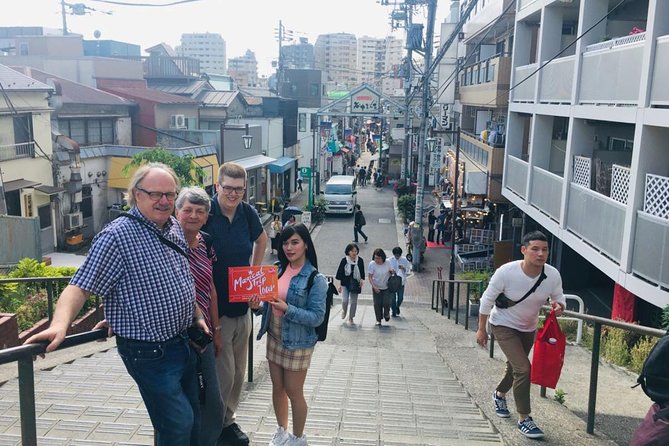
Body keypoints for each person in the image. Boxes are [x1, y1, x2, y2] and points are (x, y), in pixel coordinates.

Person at [26, 163, 206, 446]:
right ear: (136, 194)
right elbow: (80, 286)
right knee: (178, 424)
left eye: (170, 195)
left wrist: (196, 316)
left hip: (182, 342)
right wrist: (59, 325)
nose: (165, 201)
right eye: (156, 194)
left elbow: (180, 278)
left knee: (194, 420)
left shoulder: (171, 226)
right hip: (150, 352)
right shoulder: (117, 236)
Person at [475, 230, 565, 440]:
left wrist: (559, 306)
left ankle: (498, 395)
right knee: (524, 368)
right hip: (503, 324)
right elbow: (487, 300)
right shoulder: (506, 272)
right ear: (524, 250)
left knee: (515, 368)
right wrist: (481, 329)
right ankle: (525, 419)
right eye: (535, 249)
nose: (540, 254)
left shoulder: (552, 275)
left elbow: (559, 297)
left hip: (528, 327)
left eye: (544, 250)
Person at [203, 162, 268, 446]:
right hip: (215, 310)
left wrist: (254, 278)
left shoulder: (247, 212)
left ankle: (227, 421)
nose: (232, 194)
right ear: (218, 186)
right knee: (224, 374)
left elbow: (262, 241)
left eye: (238, 190)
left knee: (239, 372)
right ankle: (214, 426)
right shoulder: (205, 213)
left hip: (242, 306)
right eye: (227, 188)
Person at [250, 223, 327, 446]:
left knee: (294, 391)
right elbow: (267, 305)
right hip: (274, 337)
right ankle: (282, 431)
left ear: (305, 244)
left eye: (295, 242)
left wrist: (287, 309)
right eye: (285, 242)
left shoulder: (315, 279)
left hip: (298, 342)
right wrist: (257, 306)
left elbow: (317, 318)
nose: (289, 248)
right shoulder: (276, 270)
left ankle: (298, 437)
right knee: (277, 388)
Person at [175, 186, 225, 446]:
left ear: (207, 216)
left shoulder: (206, 242)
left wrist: (216, 331)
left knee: (211, 402)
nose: (193, 215)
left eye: (200, 211)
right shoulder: (167, 244)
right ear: (177, 212)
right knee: (179, 406)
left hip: (202, 335)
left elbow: (211, 289)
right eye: (188, 210)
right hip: (174, 335)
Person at [335, 243, 365, 325]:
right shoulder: (344, 260)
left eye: (355, 251)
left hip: (355, 283)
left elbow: (362, 273)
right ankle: (344, 310)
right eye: (352, 251)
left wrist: (362, 281)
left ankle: (351, 317)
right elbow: (339, 274)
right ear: (348, 252)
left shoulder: (360, 260)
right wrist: (339, 285)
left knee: (354, 301)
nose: (354, 253)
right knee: (345, 300)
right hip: (345, 283)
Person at [368, 248, 395, 326]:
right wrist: (374, 287)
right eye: (376, 258)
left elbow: (391, 270)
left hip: (386, 287)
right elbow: (370, 277)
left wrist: (392, 271)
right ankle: (378, 319)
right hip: (376, 286)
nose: (377, 260)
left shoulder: (388, 262)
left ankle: (386, 313)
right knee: (377, 304)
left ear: (382, 257)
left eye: (379, 258)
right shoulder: (372, 264)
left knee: (386, 303)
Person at [388, 247, 411, 317]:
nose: (397, 257)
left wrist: (403, 268)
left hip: (401, 281)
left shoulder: (404, 260)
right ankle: (394, 311)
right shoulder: (389, 260)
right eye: (396, 255)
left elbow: (408, 270)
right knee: (392, 297)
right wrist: (391, 271)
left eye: (398, 255)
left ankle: (397, 306)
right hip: (392, 281)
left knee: (400, 297)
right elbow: (387, 269)